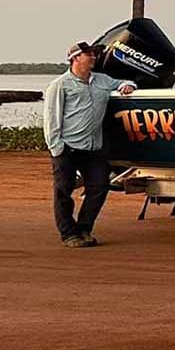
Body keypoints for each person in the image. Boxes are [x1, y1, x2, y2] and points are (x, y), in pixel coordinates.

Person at [43, 42, 134, 248]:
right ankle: (68, 234)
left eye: (93, 54)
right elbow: (51, 119)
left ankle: (84, 229)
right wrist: (57, 148)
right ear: (75, 58)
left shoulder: (102, 80)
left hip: (93, 148)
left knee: (99, 187)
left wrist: (128, 86)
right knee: (63, 192)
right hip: (67, 148)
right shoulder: (59, 85)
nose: (93, 57)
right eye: (88, 54)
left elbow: (124, 82)